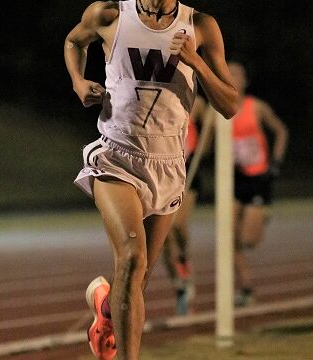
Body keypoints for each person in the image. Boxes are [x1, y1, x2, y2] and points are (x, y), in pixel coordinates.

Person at [64, 1, 238, 359]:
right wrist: (78, 81)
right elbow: (74, 42)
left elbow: (230, 104)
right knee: (132, 257)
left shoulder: (201, 25)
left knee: (135, 282)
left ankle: (106, 307)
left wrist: (197, 62)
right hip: (116, 157)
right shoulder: (109, 14)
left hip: (168, 165)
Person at [228, 61, 289, 307]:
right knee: (227, 238)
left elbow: (281, 131)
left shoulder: (257, 107)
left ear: (245, 81)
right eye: (228, 73)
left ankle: (262, 213)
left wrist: (276, 163)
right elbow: (206, 143)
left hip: (259, 179)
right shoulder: (218, 110)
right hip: (234, 180)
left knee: (248, 240)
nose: (232, 78)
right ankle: (246, 288)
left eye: (237, 75)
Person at [161, 94, 211, 315]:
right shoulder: (158, 96)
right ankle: (179, 285)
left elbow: (213, 125)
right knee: (162, 236)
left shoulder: (197, 103)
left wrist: (203, 147)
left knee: (177, 225)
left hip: (188, 170)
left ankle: (184, 258)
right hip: (162, 169)